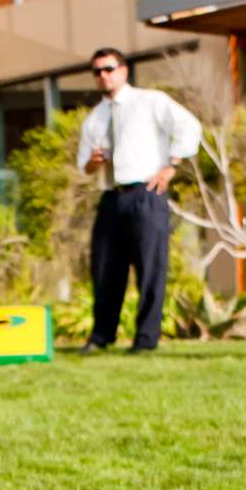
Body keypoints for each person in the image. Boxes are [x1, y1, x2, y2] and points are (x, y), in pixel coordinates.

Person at [76, 49, 202, 352]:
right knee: (105, 269)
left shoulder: (151, 102)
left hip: (146, 194)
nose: (103, 75)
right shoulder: (95, 119)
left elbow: (189, 127)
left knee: (150, 267)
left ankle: (145, 340)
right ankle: (101, 336)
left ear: (123, 70)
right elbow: (84, 165)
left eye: (108, 68)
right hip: (111, 197)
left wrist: (171, 166)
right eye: (97, 71)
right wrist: (95, 162)